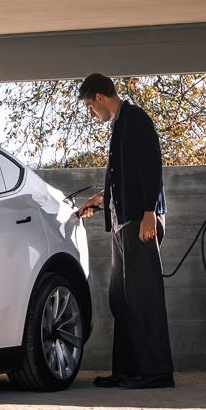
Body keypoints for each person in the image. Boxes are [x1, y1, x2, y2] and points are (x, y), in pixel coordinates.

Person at [73, 74, 174, 389]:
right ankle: (128, 371)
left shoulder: (136, 119)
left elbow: (152, 166)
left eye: (90, 106)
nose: (92, 114)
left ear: (101, 97)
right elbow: (122, 176)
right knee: (122, 298)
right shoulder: (120, 123)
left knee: (144, 297)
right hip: (122, 223)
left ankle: (156, 372)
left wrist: (149, 212)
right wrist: (99, 200)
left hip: (138, 221)